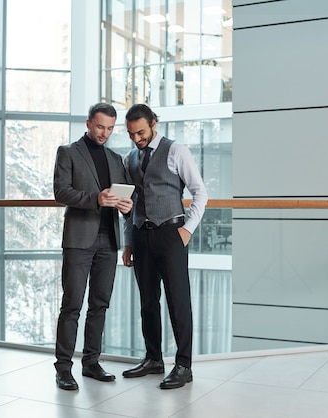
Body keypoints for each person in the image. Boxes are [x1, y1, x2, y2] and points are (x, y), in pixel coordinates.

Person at [121, 103, 208, 389]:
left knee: (178, 301)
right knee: (148, 302)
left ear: (154, 123)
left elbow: (200, 192)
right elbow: (128, 206)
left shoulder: (175, 150)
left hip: (172, 233)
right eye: (132, 134)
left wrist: (187, 230)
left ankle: (184, 365)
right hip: (141, 236)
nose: (137, 139)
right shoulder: (129, 160)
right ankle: (153, 358)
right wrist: (128, 242)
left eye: (141, 132)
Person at [53, 103, 133, 391]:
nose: (105, 133)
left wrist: (127, 205)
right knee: (72, 305)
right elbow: (60, 192)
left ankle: (91, 362)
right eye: (100, 127)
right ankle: (63, 368)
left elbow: (124, 196)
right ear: (88, 123)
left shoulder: (115, 159)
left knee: (100, 305)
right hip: (78, 240)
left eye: (110, 128)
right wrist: (94, 199)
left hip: (108, 242)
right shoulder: (68, 152)